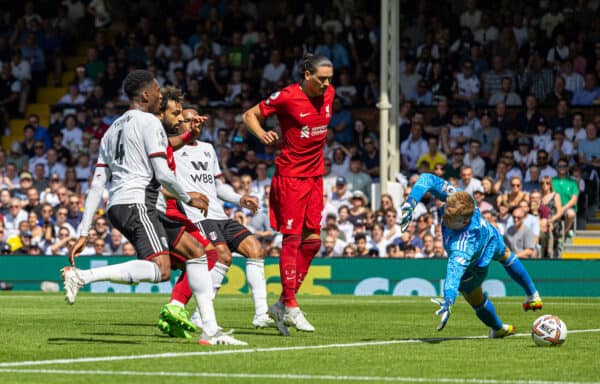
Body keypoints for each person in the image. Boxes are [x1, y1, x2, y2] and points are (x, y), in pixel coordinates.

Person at [61, 70, 245, 346]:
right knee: (161, 270)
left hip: (124, 204)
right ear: (146, 94)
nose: (161, 95)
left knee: (196, 253)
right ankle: (82, 276)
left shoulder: (111, 130)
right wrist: (188, 198)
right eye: (157, 90)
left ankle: (210, 331)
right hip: (138, 202)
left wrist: (84, 232)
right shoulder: (149, 123)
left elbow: (98, 184)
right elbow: (163, 172)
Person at [161, 104, 279, 334]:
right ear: (178, 124)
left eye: (196, 119)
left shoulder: (207, 148)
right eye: (187, 119)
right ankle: (198, 315)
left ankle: (261, 314)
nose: (194, 123)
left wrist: (239, 199)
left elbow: (216, 186)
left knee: (256, 250)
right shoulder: (170, 149)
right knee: (222, 256)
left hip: (219, 214)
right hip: (196, 215)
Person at [242, 53, 334, 332]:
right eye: (321, 79)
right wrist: (261, 134)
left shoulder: (329, 94)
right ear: (307, 76)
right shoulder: (286, 96)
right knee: (292, 240)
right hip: (291, 177)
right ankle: (292, 305)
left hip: (315, 177)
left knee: (313, 242)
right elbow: (250, 115)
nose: (326, 84)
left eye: (330, 79)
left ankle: (283, 301)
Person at [400, 173, 542, 337]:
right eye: (446, 210)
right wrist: (410, 202)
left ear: (464, 222)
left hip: (474, 264)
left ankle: (497, 328)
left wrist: (449, 300)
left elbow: (453, 272)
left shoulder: (461, 246)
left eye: (451, 218)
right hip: (491, 237)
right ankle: (532, 294)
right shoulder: (462, 199)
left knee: (475, 299)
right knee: (506, 255)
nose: (445, 216)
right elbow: (427, 179)